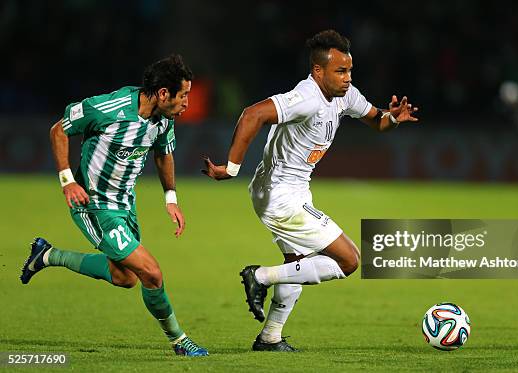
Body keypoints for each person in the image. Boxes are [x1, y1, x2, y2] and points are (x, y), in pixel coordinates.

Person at [203, 30, 419, 352]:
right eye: (340, 71)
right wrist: (231, 167)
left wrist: (394, 118)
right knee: (349, 260)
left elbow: (377, 121)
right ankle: (259, 276)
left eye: (349, 71)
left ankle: (270, 337)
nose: (347, 78)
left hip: (289, 191)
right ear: (318, 71)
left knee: (296, 266)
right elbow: (253, 114)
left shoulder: (345, 95)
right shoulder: (306, 97)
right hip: (282, 196)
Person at [20, 55, 208, 357]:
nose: (187, 102)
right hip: (94, 206)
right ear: (163, 94)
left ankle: (48, 255)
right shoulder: (109, 108)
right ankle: (180, 341)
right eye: (183, 94)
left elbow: (163, 154)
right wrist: (68, 181)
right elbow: (59, 130)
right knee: (152, 273)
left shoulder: (164, 120)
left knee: (126, 278)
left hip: (125, 206)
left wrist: (171, 199)